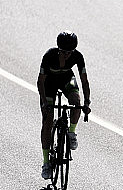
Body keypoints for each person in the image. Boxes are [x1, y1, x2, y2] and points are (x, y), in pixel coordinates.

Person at [37, 31, 91, 179]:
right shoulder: (49, 56)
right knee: (47, 121)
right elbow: (40, 81)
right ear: (58, 49)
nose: (67, 55)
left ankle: (71, 132)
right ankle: (46, 162)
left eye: (70, 52)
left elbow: (84, 80)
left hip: (66, 79)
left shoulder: (78, 57)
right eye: (63, 52)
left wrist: (87, 102)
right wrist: (44, 102)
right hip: (49, 84)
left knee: (76, 103)